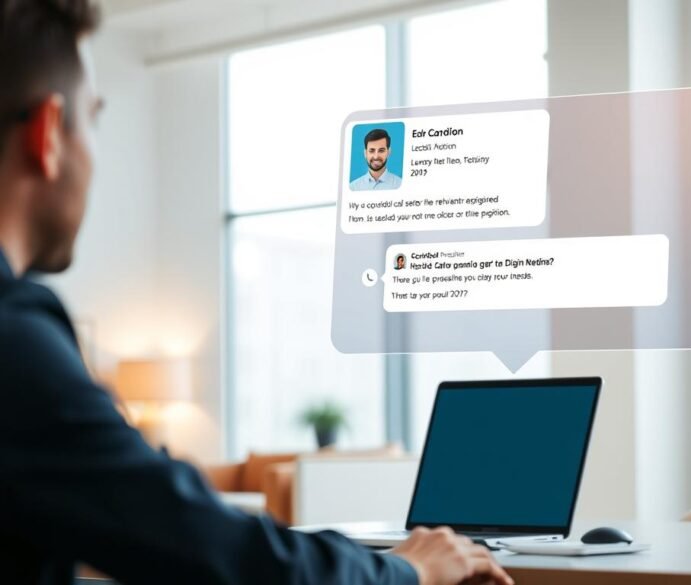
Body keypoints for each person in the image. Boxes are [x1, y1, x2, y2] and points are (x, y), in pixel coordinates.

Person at [0, 2, 512, 585]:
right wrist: (403, 572)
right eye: (93, 121)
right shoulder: (14, 338)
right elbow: (206, 547)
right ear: (48, 135)